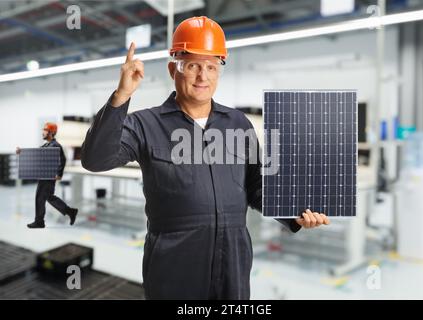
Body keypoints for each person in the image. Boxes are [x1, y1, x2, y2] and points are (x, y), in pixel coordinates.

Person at [81, 16, 330, 299]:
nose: (203, 76)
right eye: (193, 65)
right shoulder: (145, 125)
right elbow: (95, 159)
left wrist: (295, 212)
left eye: (212, 66)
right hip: (174, 266)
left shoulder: (238, 123)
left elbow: (257, 186)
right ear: (172, 69)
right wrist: (121, 96)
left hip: (233, 263)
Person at [16, 122, 78, 229]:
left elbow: (63, 159)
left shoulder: (55, 145)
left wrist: (59, 173)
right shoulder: (46, 145)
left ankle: (39, 221)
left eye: (45, 130)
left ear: (51, 132)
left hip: (48, 177)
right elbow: (36, 155)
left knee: (40, 197)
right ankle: (70, 211)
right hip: (44, 175)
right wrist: (22, 152)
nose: (43, 132)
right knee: (49, 197)